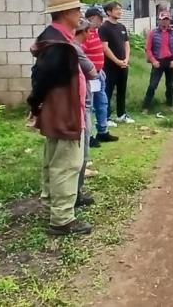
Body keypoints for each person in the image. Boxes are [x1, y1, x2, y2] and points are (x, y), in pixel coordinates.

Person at [27, 0, 95, 236]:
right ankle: (62, 220)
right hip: (65, 111)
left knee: (55, 160)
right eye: (77, 10)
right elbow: (41, 79)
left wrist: (37, 105)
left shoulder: (54, 39)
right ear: (66, 13)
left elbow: (41, 78)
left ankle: (52, 206)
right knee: (67, 164)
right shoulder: (60, 46)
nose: (80, 14)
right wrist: (35, 104)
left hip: (59, 110)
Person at [82, 7, 119, 146]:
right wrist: (91, 71)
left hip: (99, 74)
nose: (102, 21)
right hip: (90, 76)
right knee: (89, 107)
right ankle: (89, 136)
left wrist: (100, 70)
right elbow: (82, 56)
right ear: (91, 18)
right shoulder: (84, 35)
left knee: (102, 103)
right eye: (99, 18)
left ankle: (102, 132)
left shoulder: (96, 33)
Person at [73, 19, 97, 207]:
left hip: (78, 105)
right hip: (80, 107)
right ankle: (75, 194)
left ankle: (74, 193)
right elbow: (92, 72)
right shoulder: (75, 49)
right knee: (81, 153)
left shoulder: (71, 48)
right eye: (88, 31)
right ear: (84, 32)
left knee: (78, 153)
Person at [99, 1, 135, 124]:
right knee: (107, 92)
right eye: (117, 9)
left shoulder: (122, 27)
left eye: (120, 9)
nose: (120, 11)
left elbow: (127, 44)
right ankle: (106, 117)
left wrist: (126, 59)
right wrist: (117, 61)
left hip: (123, 65)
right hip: (110, 66)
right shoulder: (104, 28)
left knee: (122, 91)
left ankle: (121, 114)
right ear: (109, 12)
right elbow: (105, 48)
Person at [142, 10, 173, 113]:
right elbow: (148, 49)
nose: (165, 22)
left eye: (167, 20)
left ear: (169, 21)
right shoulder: (153, 33)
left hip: (170, 61)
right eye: (163, 20)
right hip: (158, 61)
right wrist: (153, 61)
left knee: (170, 85)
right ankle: (146, 107)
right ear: (159, 20)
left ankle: (169, 105)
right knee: (152, 85)